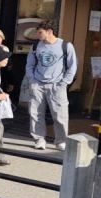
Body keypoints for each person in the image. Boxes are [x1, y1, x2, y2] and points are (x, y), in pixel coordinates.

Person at [25, 20, 78, 150]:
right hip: (38, 83)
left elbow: (72, 66)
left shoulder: (65, 45)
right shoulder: (36, 46)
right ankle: (39, 139)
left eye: (40, 33)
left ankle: (61, 140)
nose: (38, 35)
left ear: (49, 32)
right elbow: (29, 65)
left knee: (60, 114)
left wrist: (64, 83)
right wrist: (32, 81)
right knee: (35, 113)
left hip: (57, 84)